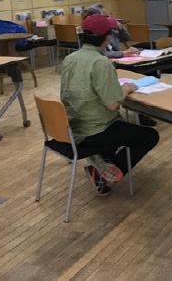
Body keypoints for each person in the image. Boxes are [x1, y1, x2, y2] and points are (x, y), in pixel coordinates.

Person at [61, 14, 159, 196]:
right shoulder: (101, 63)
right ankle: (102, 175)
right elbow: (113, 105)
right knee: (149, 136)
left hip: (72, 127)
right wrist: (126, 89)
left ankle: (104, 161)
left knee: (120, 125)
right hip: (94, 130)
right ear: (107, 38)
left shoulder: (70, 58)